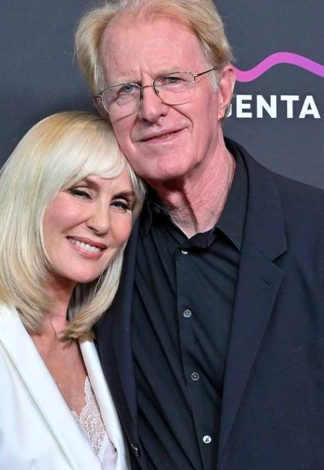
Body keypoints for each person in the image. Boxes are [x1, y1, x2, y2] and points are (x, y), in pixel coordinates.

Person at [74, 1, 324, 469]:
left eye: (172, 80)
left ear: (223, 89)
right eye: (126, 90)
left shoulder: (315, 230)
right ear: (105, 110)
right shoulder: (96, 250)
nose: (151, 109)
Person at [0, 111, 145, 469]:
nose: (101, 222)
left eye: (120, 203)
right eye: (82, 192)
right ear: (30, 195)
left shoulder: (102, 343)